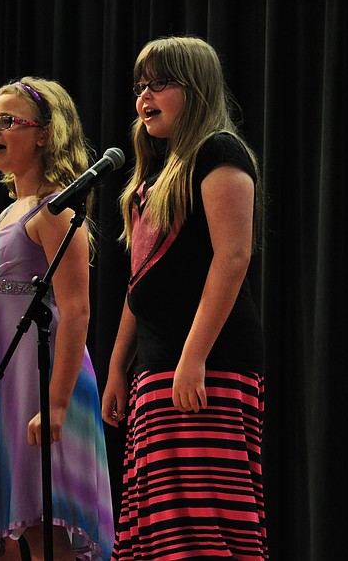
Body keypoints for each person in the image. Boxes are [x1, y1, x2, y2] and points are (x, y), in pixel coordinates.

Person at [0, 77, 114, 561]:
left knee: (45, 528)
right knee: (13, 531)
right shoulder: (9, 213)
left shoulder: (56, 210)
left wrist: (55, 404)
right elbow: (0, 319)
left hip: (45, 381)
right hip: (6, 384)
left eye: (7, 121)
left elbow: (76, 311)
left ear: (45, 134)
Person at [100, 35, 268, 560]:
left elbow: (232, 258)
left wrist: (193, 358)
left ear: (195, 89)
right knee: (160, 527)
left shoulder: (219, 152)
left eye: (160, 84)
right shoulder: (153, 176)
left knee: (202, 525)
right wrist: (117, 368)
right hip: (156, 367)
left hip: (208, 364)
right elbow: (139, 283)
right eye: (139, 87)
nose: (144, 96)